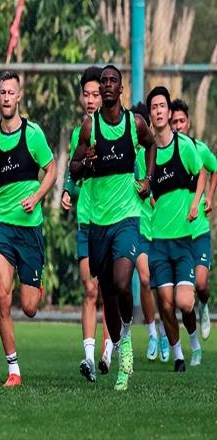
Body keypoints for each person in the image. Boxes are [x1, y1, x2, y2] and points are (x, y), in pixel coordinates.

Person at [69, 65, 156, 391]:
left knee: (122, 282)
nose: (107, 85)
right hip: (98, 224)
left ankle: (127, 347)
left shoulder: (135, 124)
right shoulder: (89, 127)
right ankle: (120, 343)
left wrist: (148, 179)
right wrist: (86, 162)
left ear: (121, 88)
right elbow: (73, 169)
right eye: (103, 81)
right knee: (108, 293)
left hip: (127, 218)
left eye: (112, 81)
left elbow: (151, 146)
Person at [0, 71, 56, 387]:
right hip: (3, 228)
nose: (6, 97)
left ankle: (37, 286)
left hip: (30, 229)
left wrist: (37, 197)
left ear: (19, 96)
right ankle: (13, 369)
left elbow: (51, 169)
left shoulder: (33, 135)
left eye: (11, 92)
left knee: (30, 307)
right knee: (2, 295)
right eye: (2, 92)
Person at [145, 87, 205, 372]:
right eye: (154, 107)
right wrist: (146, 194)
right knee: (166, 305)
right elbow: (141, 185)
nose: (158, 111)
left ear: (169, 112)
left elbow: (201, 172)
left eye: (162, 106)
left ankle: (194, 343)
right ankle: (178, 355)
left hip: (182, 240)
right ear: (150, 115)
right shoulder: (147, 154)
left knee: (184, 303)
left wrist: (195, 203)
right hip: (158, 242)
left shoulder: (184, 146)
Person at [61, 66, 113, 382]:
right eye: (87, 94)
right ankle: (90, 359)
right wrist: (68, 191)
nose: (91, 100)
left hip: (112, 220)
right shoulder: (79, 132)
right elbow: (73, 169)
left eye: (96, 94)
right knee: (91, 288)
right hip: (86, 221)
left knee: (109, 290)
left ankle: (110, 351)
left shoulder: (117, 130)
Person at [171, 98, 216, 345]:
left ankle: (205, 306)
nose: (178, 125)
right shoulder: (165, 153)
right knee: (180, 296)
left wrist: (209, 197)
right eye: (174, 122)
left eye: (181, 121)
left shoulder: (199, 149)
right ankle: (187, 341)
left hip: (198, 230)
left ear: (188, 123)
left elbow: (214, 168)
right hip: (177, 234)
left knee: (201, 284)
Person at [130, 102, 170, 363]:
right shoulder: (127, 155)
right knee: (145, 279)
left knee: (163, 287)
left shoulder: (157, 153)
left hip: (163, 229)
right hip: (140, 227)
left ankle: (166, 333)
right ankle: (153, 333)